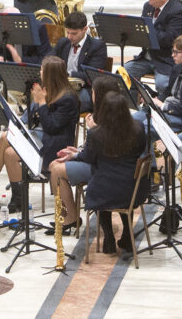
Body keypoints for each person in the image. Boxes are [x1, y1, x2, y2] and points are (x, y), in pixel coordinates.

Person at [0, 56, 79, 213]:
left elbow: (52, 127)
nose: (39, 72)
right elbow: (27, 119)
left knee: (4, 138)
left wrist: (41, 103)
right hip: (39, 138)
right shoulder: (45, 90)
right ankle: (18, 198)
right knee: (8, 150)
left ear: (51, 74)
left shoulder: (68, 98)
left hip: (54, 145)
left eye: (42, 70)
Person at [70, 91, 148, 254]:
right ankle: (127, 235)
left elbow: (88, 158)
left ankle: (109, 238)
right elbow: (140, 150)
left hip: (105, 190)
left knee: (99, 189)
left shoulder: (96, 134)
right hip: (133, 189)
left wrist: (92, 131)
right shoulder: (138, 129)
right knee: (120, 192)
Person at [48, 77, 123, 237]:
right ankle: (70, 217)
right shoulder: (119, 112)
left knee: (55, 168)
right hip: (107, 165)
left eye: (93, 92)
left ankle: (69, 219)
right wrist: (77, 151)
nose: (91, 95)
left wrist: (79, 151)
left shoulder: (100, 121)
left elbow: (93, 155)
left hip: (103, 170)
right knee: (56, 165)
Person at [123, 0, 182, 92]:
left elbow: (171, 39)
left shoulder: (178, 11)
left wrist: (148, 30)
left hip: (165, 60)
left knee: (163, 84)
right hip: (146, 57)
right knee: (124, 74)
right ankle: (139, 105)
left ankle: (161, 106)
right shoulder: (148, 6)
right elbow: (142, 31)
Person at [133, 33, 182, 133]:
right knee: (132, 121)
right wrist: (154, 101)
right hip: (169, 109)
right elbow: (168, 91)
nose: (172, 55)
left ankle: (149, 149)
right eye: (172, 51)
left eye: (176, 52)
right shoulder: (177, 68)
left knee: (147, 126)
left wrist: (164, 106)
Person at [51, 11, 108, 112]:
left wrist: (67, 74)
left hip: (85, 89)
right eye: (67, 32)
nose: (69, 37)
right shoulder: (63, 42)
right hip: (62, 87)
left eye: (74, 33)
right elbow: (48, 59)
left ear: (85, 29)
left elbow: (92, 75)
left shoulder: (97, 46)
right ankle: (24, 124)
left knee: (60, 102)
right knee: (41, 95)